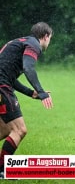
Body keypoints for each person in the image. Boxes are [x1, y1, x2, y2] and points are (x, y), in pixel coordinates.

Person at [0, 22, 54, 178]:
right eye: (50, 38)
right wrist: (42, 92)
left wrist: (31, 93)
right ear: (46, 36)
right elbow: (28, 68)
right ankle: (3, 169)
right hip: (2, 87)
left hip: (3, 84)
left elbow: (10, 78)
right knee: (19, 130)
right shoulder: (33, 45)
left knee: (5, 130)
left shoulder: (21, 42)